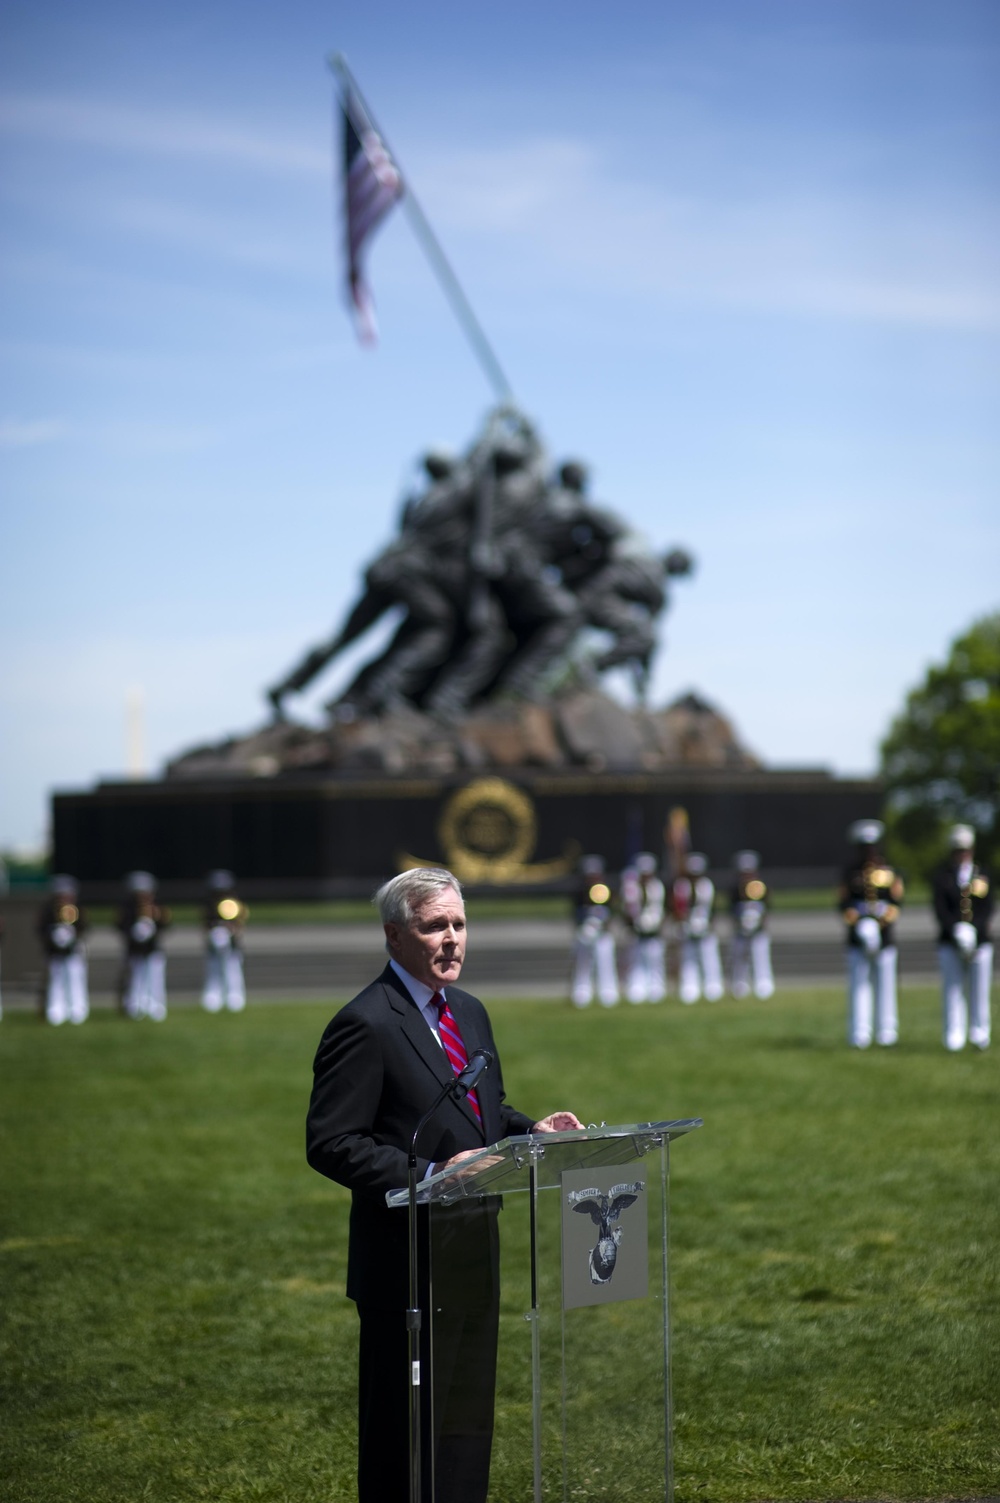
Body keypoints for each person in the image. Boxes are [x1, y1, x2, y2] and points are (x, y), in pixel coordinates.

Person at [306, 867, 581, 1503]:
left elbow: (482, 1111)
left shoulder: (470, 1012)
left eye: (459, 924)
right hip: (405, 1264)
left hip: (473, 1252)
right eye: (435, 927)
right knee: (404, 1443)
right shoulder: (366, 1024)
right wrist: (433, 1176)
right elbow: (332, 1142)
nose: (452, 939)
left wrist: (530, 1128)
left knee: (463, 1432)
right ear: (395, 936)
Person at [838, 820, 903, 1048]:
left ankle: (887, 1031)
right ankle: (860, 1032)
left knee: (886, 985)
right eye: (865, 848)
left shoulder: (889, 870)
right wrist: (861, 924)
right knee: (859, 985)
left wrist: (881, 923)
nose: (869, 852)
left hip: (885, 938)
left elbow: (896, 902)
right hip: (858, 939)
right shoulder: (849, 872)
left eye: (872, 847)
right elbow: (844, 904)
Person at [932, 824, 993, 1051]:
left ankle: (979, 1033)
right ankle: (954, 1035)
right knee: (953, 988)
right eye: (958, 851)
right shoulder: (942, 876)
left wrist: (974, 929)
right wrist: (955, 929)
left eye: (965, 850)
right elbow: (940, 909)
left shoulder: (983, 874)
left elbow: (988, 907)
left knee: (979, 989)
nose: (962, 855)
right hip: (950, 940)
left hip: (979, 941)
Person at [118, 871, 171, 1020]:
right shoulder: (127, 908)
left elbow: (166, 924)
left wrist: (155, 921)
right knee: (135, 978)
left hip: (153, 949)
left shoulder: (157, 906)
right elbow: (121, 925)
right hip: (134, 950)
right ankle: (135, 1006)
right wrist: (134, 931)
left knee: (155, 978)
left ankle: (156, 1006)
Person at [670, 853, 723, 1003]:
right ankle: (689, 987)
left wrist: (709, 925)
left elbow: (712, 909)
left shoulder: (707, 885)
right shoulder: (681, 887)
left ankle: (713, 987)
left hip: (704, 927)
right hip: (687, 928)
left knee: (710, 958)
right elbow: (677, 909)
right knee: (688, 959)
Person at [38, 874, 89, 1025]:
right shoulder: (48, 910)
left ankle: (77, 1010)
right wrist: (53, 935)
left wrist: (73, 934)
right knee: (56, 979)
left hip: (73, 951)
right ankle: (56, 1011)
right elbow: (40, 929)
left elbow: (84, 927)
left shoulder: (78, 908)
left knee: (75, 979)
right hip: (54, 952)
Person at [569, 854, 620, 1008]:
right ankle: (581, 992)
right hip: (585, 934)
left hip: (603, 934)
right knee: (583, 963)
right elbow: (576, 914)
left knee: (606, 962)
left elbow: (612, 911)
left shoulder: (607, 890)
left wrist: (604, 925)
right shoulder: (579, 892)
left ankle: (608, 992)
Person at [728, 851, 775, 999]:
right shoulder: (735, 889)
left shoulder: (762, 887)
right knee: (739, 957)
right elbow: (732, 910)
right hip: (741, 931)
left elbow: (767, 908)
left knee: (760, 956)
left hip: (758, 930)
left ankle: (764, 985)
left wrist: (761, 923)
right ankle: (740, 985)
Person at [620, 852, 667, 1002]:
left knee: (655, 960)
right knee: (636, 961)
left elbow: (661, 909)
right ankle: (636, 987)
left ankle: (656, 988)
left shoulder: (657, 887)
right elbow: (627, 909)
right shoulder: (631, 888)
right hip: (637, 932)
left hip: (654, 932)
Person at [201, 870, 248, 1013]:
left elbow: (239, 923)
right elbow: (205, 924)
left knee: (232, 970)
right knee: (214, 971)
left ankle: (235, 998)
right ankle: (213, 998)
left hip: (232, 946)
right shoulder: (208, 906)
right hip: (214, 947)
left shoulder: (235, 904)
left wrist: (232, 931)